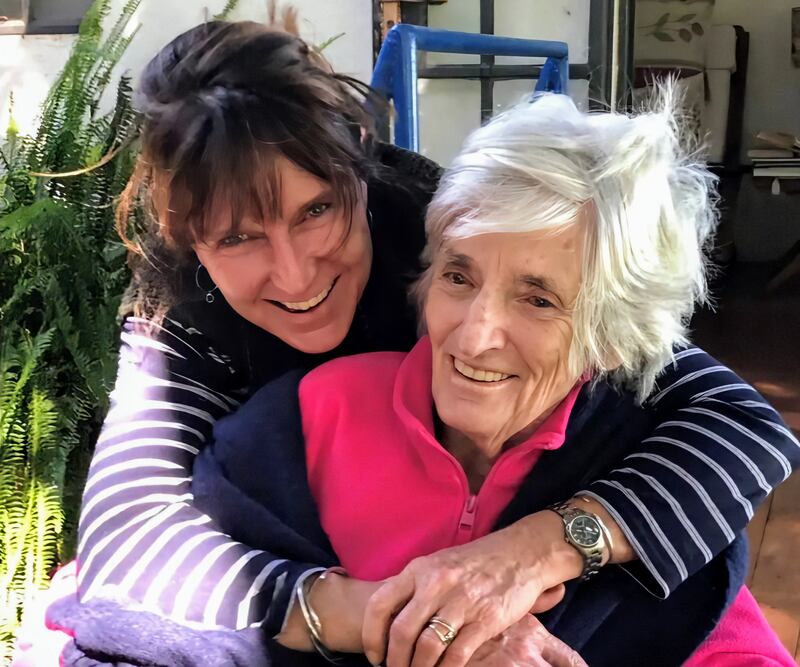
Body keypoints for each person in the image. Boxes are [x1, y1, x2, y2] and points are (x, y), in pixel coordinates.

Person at [56, 14, 799, 667]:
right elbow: (126, 549)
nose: (294, 272)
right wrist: (415, 620)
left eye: (317, 211)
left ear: (360, 164)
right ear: (193, 242)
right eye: (240, 236)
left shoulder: (439, 231)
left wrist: (535, 548)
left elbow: (741, 423)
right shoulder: (183, 322)